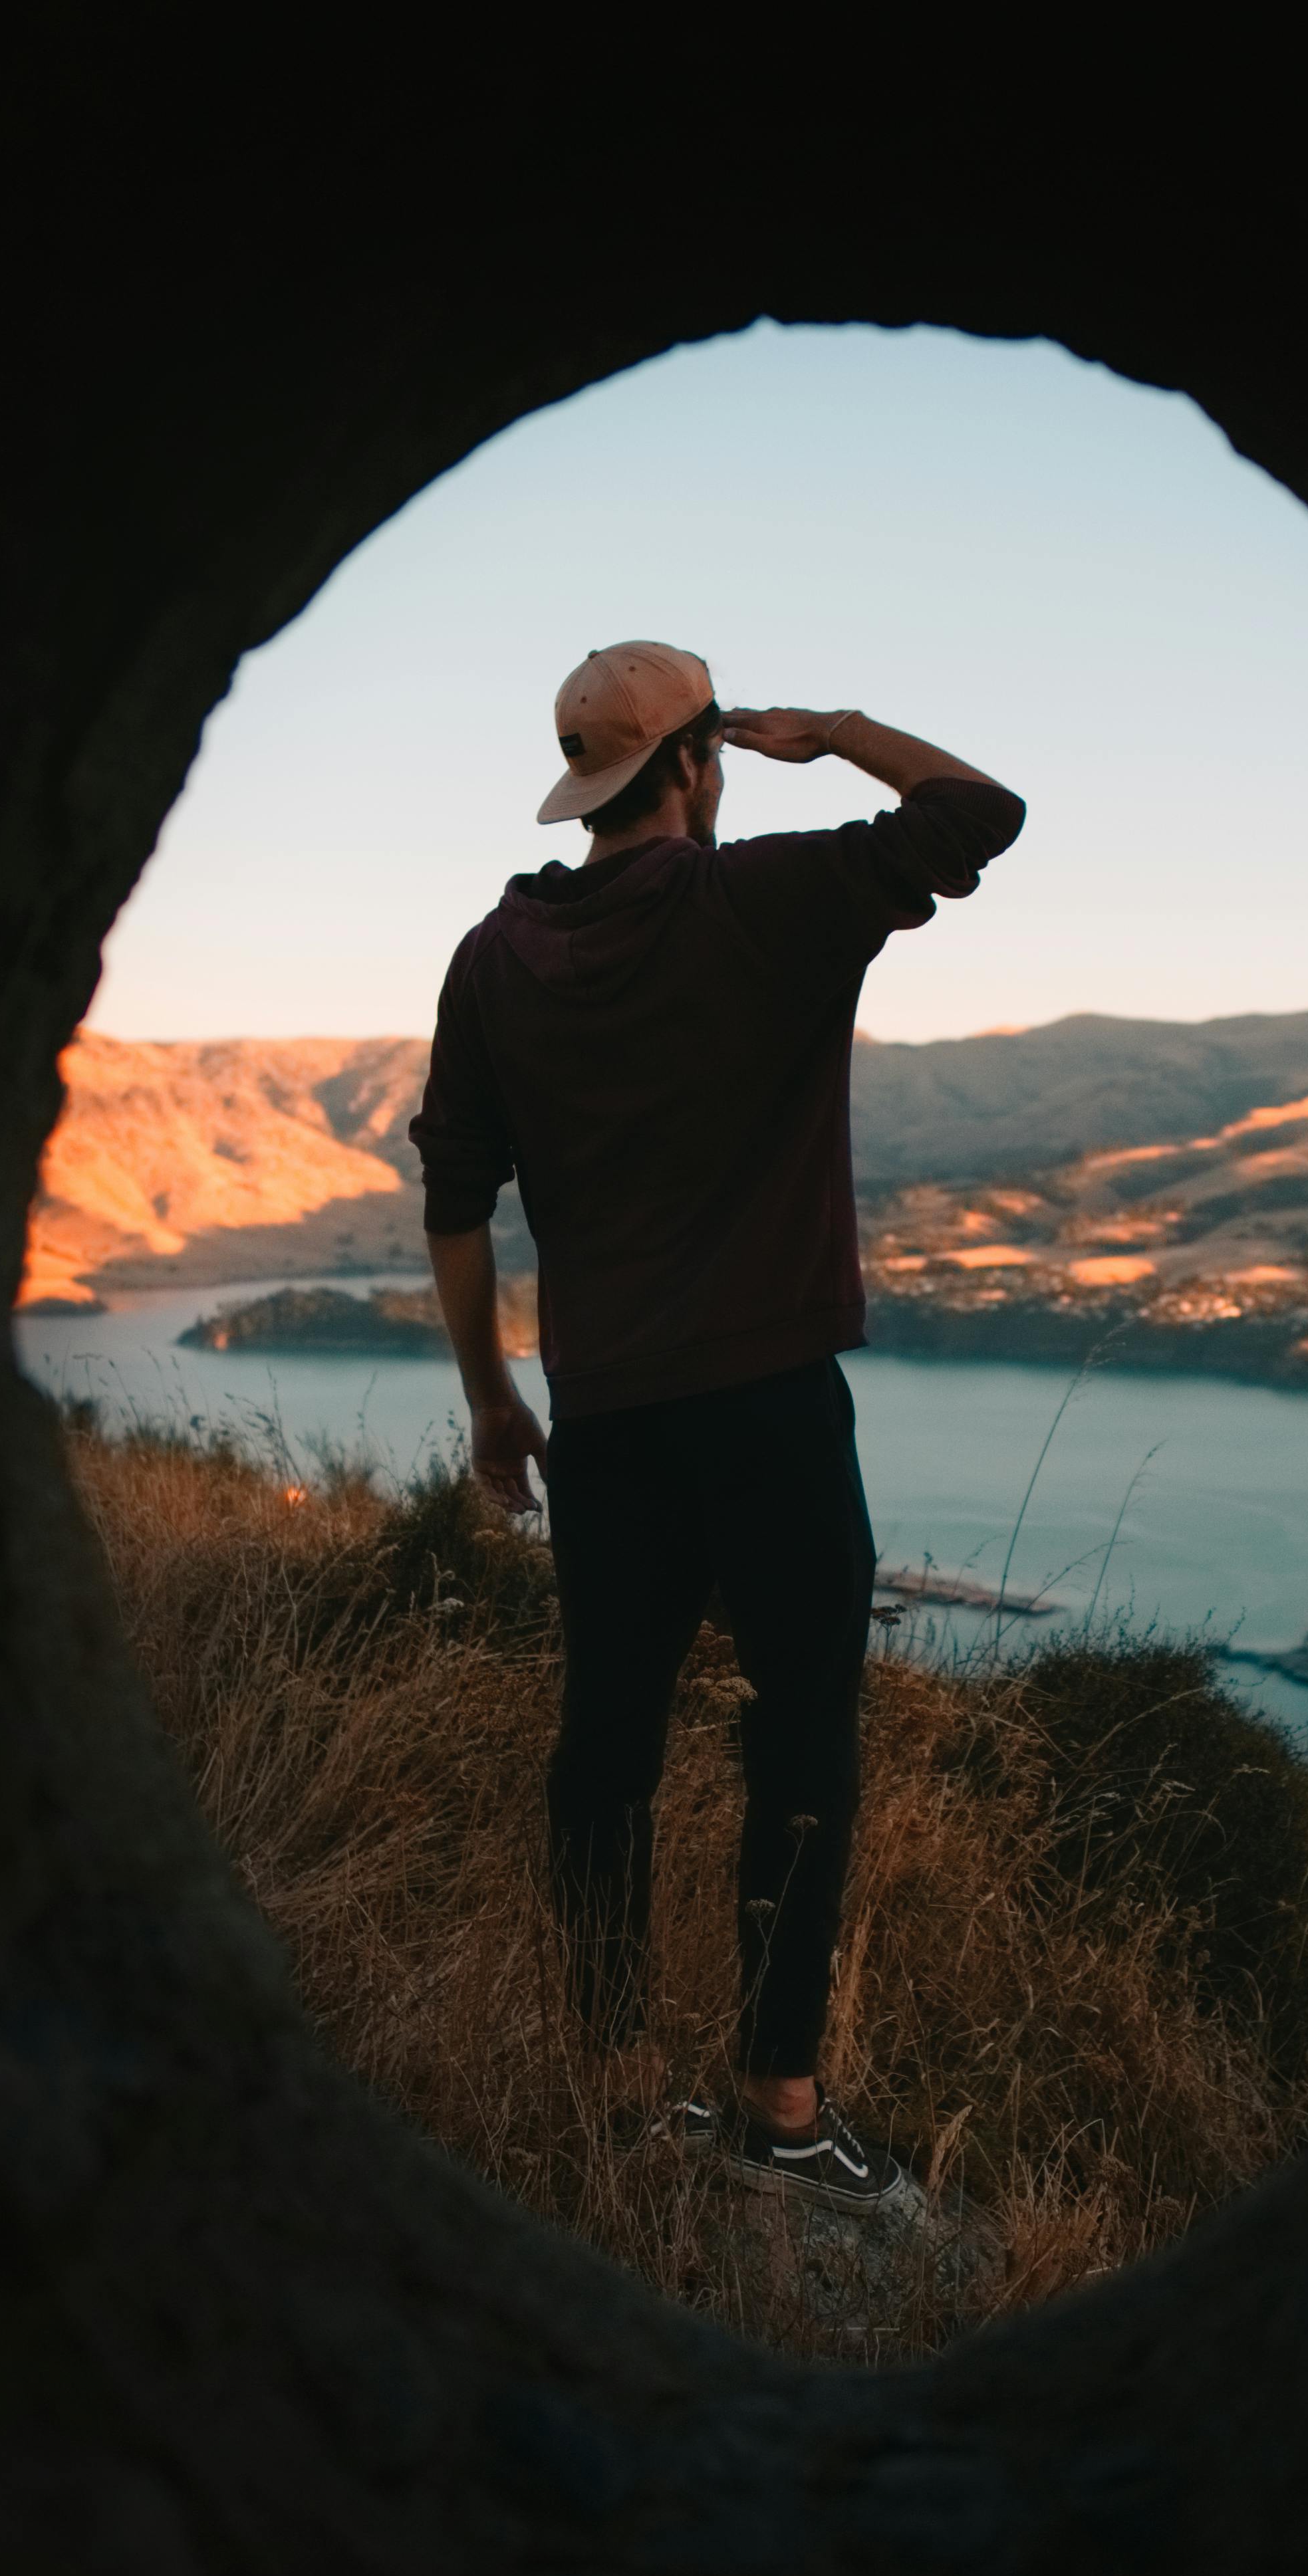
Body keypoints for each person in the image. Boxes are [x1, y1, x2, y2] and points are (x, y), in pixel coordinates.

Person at [408, 640, 1022, 2213]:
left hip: (605, 1418)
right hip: (767, 1404)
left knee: (604, 1745)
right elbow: (979, 812)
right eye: (722, 753)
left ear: (586, 781)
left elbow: (458, 1204)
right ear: (697, 763)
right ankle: (781, 2107)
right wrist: (841, 732)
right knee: (800, 1727)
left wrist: (494, 1404)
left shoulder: (494, 957)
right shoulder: (757, 901)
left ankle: (610, 2088)